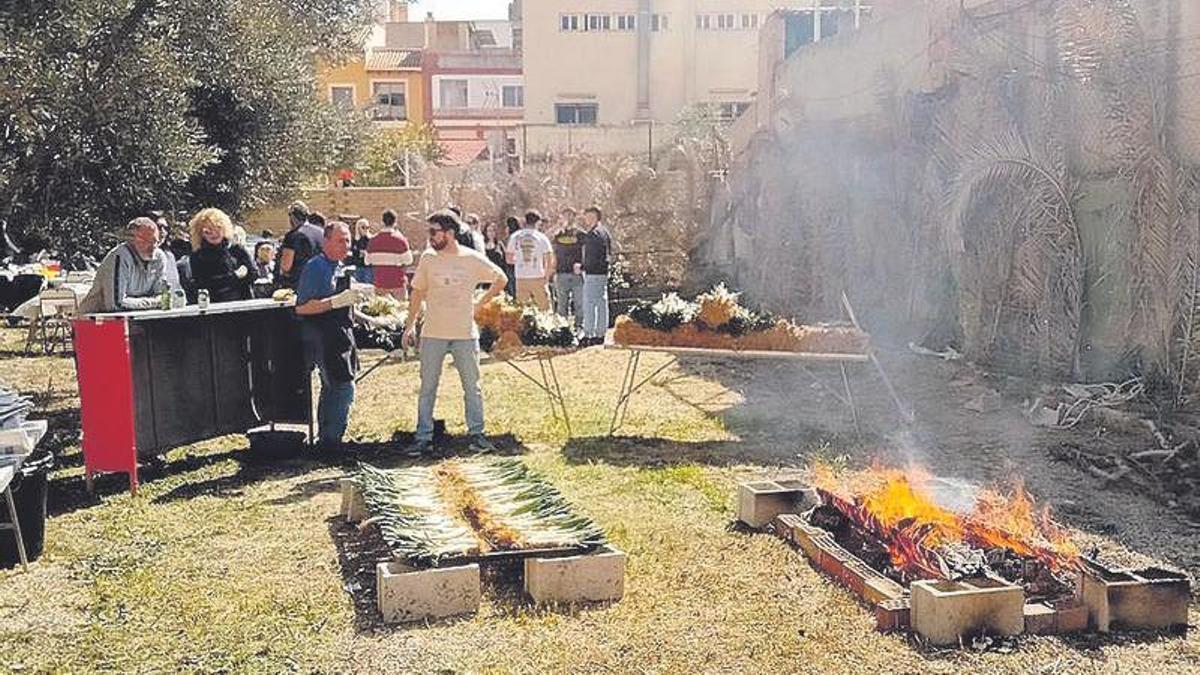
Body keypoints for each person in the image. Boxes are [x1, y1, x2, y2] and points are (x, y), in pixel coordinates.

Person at [402, 210, 508, 456]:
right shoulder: (428, 259)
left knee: (472, 387)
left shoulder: (471, 258)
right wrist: (409, 326)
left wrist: (479, 304)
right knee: (428, 387)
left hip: (464, 335)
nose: (430, 237)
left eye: (433, 232)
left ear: (449, 233)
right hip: (433, 334)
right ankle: (423, 438)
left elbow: (500, 278)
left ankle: (477, 436)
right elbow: (417, 293)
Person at [294, 221, 366, 449]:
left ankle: (327, 439)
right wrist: (336, 301)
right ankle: (331, 442)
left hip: (342, 334)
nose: (346, 245)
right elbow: (302, 307)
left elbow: (346, 305)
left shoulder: (339, 266)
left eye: (348, 240)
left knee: (333, 387)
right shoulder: (316, 267)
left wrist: (369, 317)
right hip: (323, 337)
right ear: (326, 242)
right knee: (342, 387)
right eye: (340, 240)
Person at [79, 217, 181, 313]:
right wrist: (153, 302)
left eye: (155, 241)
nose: (152, 247)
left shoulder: (159, 257)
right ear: (132, 240)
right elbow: (116, 304)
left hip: (139, 319)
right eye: (146, 241)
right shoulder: (120, 256)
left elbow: (162, 295)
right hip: (97, 321)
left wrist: (156, 301)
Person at [186, 208, 255, 303]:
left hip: (242, 305)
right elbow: (203, 284)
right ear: (200, 233)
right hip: (214, 308)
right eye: (208, 231)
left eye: (218, 227)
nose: (214, 233)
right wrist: (235, 276)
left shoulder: (237, 250)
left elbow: (253, 274)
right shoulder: (197, 256)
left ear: (225, 228)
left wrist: (245, 273)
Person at [579, 206, 615, 346]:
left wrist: (582, 267)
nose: (586, 219)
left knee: (589, 303)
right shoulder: (605, 232)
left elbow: (592, 257)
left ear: (595, 217)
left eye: (588, 216)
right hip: (603, 272)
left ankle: (589, 333)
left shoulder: (593, 234)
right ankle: (600, 333)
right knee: (601, 302)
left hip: (593, 273)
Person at [505, 210, 554, 310]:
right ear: (538, 222)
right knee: (544, 308)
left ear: (525, 221)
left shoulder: (515, 236)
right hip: (538, 276)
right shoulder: (542, 238)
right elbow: (549, 260)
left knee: (521, 309)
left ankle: (523, 326)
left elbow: (509, 259)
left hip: (521, 277)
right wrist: (547, 277)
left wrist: (519, 261)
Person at [365, 209, 413, 301]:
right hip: (397, 284)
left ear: (382, 221)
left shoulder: (373, 241)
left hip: (380, 284)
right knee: (401, 312)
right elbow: (409, 260)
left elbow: (367, 261)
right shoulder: (401, 240)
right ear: (395, 222)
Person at [550, 208, 585, 328]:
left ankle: (579, 327)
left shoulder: (580, 234)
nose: (568, 218)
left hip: (576, 275)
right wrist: (556, 226)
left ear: (575, 217)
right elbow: (545, 239)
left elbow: (588, 250)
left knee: (579, 304)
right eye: (565, 216)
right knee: (561, 304)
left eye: (571, 215)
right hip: (561, 274)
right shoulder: (557, 234)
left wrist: (583, 265)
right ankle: (563, 329)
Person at [276, 201, 323, 289]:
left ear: (292, 217)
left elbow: (286, 266)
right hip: (320, 281)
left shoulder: (292, 235)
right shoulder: (321, 232)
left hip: (299, 284)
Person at [350, 218, 373, 283]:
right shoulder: (355, 240)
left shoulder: (371, 239)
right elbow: (353, 253)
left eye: (367, 227)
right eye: (363, 227)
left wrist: (364, 252)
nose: (366, 229)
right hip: (358, 266)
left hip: (368, 268)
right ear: (358, 228)